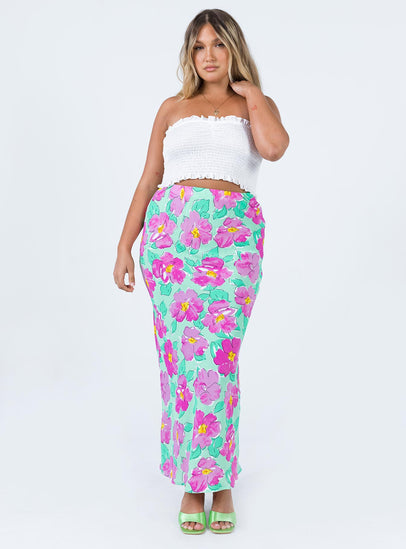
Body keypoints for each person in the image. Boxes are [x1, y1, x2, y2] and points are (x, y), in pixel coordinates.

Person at [113, 8, 289, 535]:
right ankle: (194, 483)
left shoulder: (256, 105)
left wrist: (251, 93)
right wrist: (124, 246)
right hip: (172, 243)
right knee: (183, 364)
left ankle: (221, 479)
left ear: (234, 48)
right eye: (198, 46)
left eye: (217, 44)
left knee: (219, 359)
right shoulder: (172, 108)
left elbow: (274, 149)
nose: (208, 55)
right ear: (189, 54)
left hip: (233, 242)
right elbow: (149, 178)